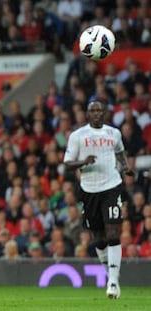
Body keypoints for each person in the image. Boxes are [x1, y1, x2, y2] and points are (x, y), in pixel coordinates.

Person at [63, 100, 134, 300]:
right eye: (92, 111)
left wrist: (126, 166)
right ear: (87, 114)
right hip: (89, 190)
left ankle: (112, 282)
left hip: (111, 186)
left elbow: (120, 151)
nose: (96, 114)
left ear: (104, 114)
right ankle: (112, 275)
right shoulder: (78, 136)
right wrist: (83, 162)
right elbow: (67, 164)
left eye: (99, 110)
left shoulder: (114, 133)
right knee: (99, 239)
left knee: (113, 233)